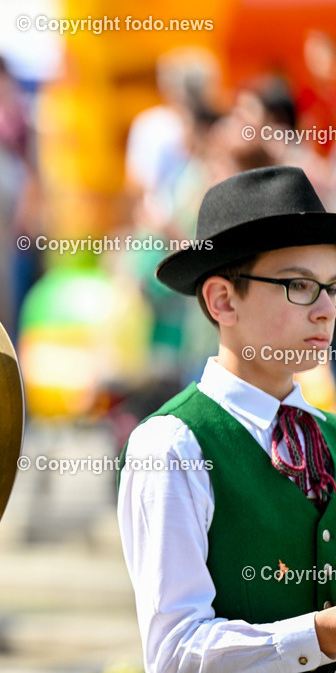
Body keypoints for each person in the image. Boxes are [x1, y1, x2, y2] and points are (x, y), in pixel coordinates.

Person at [118, 165, 336, 671]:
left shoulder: (329, 433)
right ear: (222, 300)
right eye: (299, 286)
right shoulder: (172, 446)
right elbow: (175, 653)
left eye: (332, 286)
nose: (325, 308)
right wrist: (318, 635)